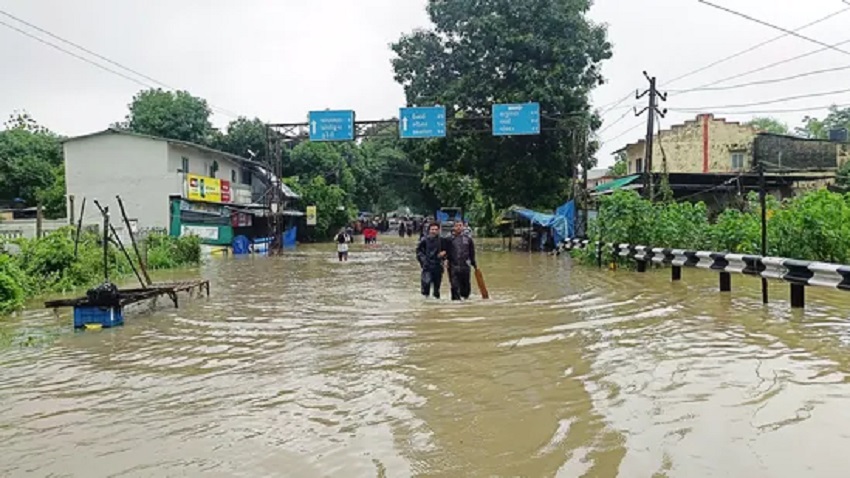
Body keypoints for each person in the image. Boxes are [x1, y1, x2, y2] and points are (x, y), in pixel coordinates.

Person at [446, 220, 477, 300]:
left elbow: (472, 252)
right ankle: (456, 303)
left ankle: (465, 301)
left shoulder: (468, 239)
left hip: (465, 266)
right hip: (453, 266)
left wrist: (474, 264)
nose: (458, 227)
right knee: (454, 286)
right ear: (453, 227)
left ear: (463, 227)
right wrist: (444, 260)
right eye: (456, 226)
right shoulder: (448, 239)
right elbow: (444, 251)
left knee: (465, 288)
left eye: (460, 225)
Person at [417, 223, 447, 299]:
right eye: (432, 229)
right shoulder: (424, 240)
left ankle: (436, 302)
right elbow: (419, 252)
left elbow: (448, 250)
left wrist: (444, 254)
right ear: (429, 230)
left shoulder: (442, 240)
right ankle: (426, 300)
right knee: (426, 285)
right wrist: (423, 261)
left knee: (436, 289)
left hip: (438, 266)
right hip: (427, 266)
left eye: (436, 230)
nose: (434, 231)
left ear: (439, 230)